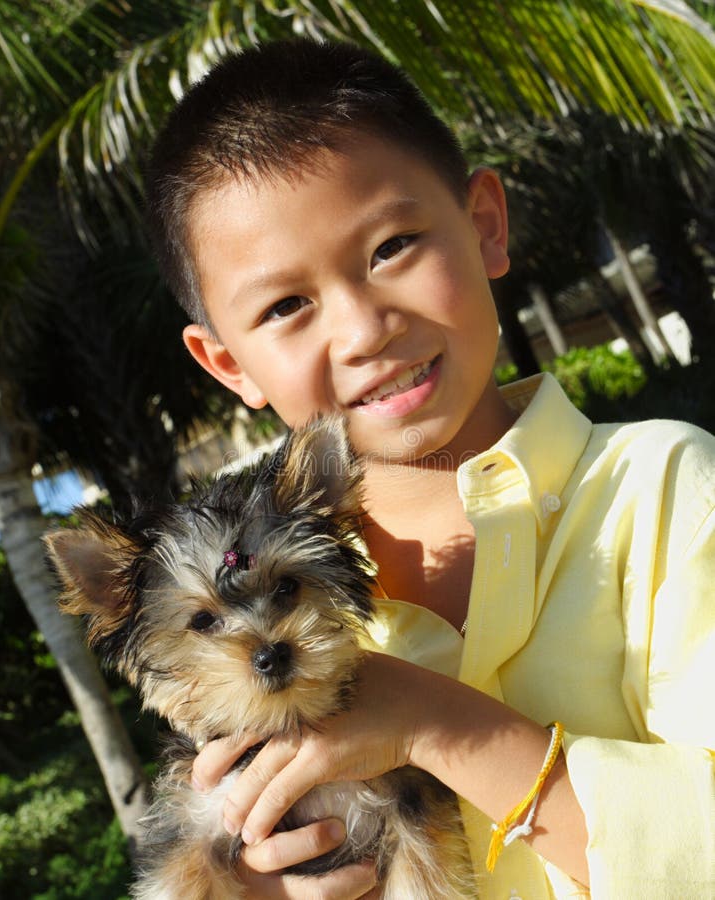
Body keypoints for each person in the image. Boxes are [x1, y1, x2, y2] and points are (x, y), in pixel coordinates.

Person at [145, 38, 715, 899]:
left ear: (485, 223)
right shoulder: (230, 632)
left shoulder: (668, 491)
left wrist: (436, 723)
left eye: (392, 246)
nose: (364, 330)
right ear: (228, 365)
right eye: (287, 305)